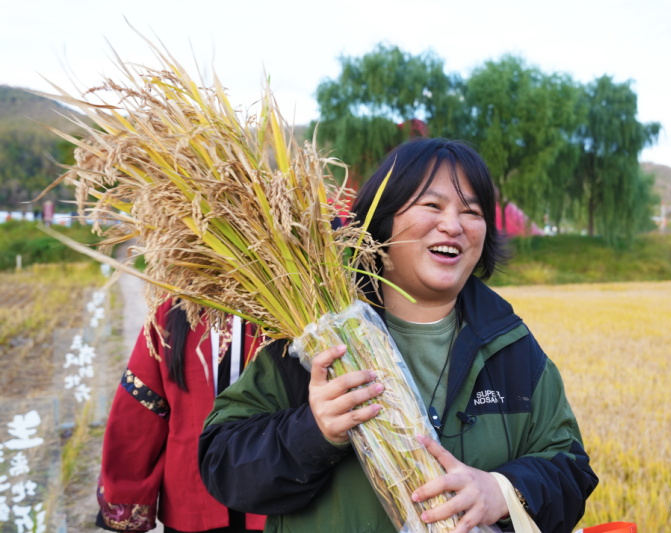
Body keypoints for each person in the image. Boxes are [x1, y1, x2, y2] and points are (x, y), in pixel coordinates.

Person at [198, 138, 599, 533]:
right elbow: (222, 462)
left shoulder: (510, 347)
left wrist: (503, 491)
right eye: (432, 205)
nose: (453, 225)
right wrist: (313, 432)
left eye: (472, 211)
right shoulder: (316, 342)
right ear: (382, 219)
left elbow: (571, 470)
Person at [96, 299, 267, 532]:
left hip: (273, 486)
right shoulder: (169, 313)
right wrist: (125, 493)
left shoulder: (283, 306)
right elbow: (142, 408)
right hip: (192, 493)